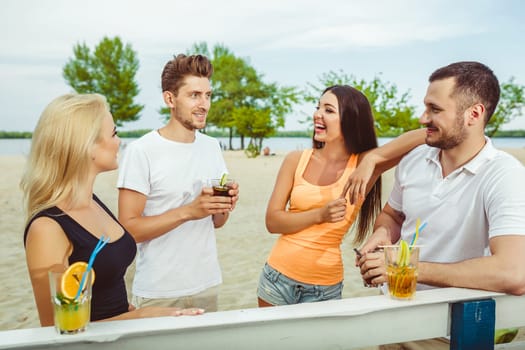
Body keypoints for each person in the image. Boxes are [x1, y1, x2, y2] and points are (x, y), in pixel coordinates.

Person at [356, 62, 525, 348]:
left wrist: (405, 268)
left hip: (451, 331)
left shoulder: (505, 175)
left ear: (474, 114)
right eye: (425, 107)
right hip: (393, 317)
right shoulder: (415, 159)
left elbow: (514, 273)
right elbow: (393, 215)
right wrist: (382, 235)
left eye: (435, 109)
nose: (423, 118)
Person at [21, 93, 203, 327]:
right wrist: (142, 315)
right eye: (114, 133)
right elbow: (57, 328)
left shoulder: (93, 202)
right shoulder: (47, 228)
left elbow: (107, 293)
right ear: (86, 146)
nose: (119, 142)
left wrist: (130, 314)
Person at [257, 85, 426, 307]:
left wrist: (372, 160)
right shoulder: (295, 159)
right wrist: (320, 215)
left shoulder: (364, 166)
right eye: (318, 107)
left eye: (328, 110)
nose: (318, 114)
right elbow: (273, 221)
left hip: (323, 288)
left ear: (351, 120)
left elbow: (422, 135)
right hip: (276, 279)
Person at [117, 54, 239, 312]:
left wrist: (223, 205)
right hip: (159, 291)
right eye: (194, 95)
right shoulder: (142, 151)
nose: (204, 104)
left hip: (206, 283)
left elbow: (217, 223)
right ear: (169, 99)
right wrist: (189, 211)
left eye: (208, 95)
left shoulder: (212, 147)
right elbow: (129, 230)